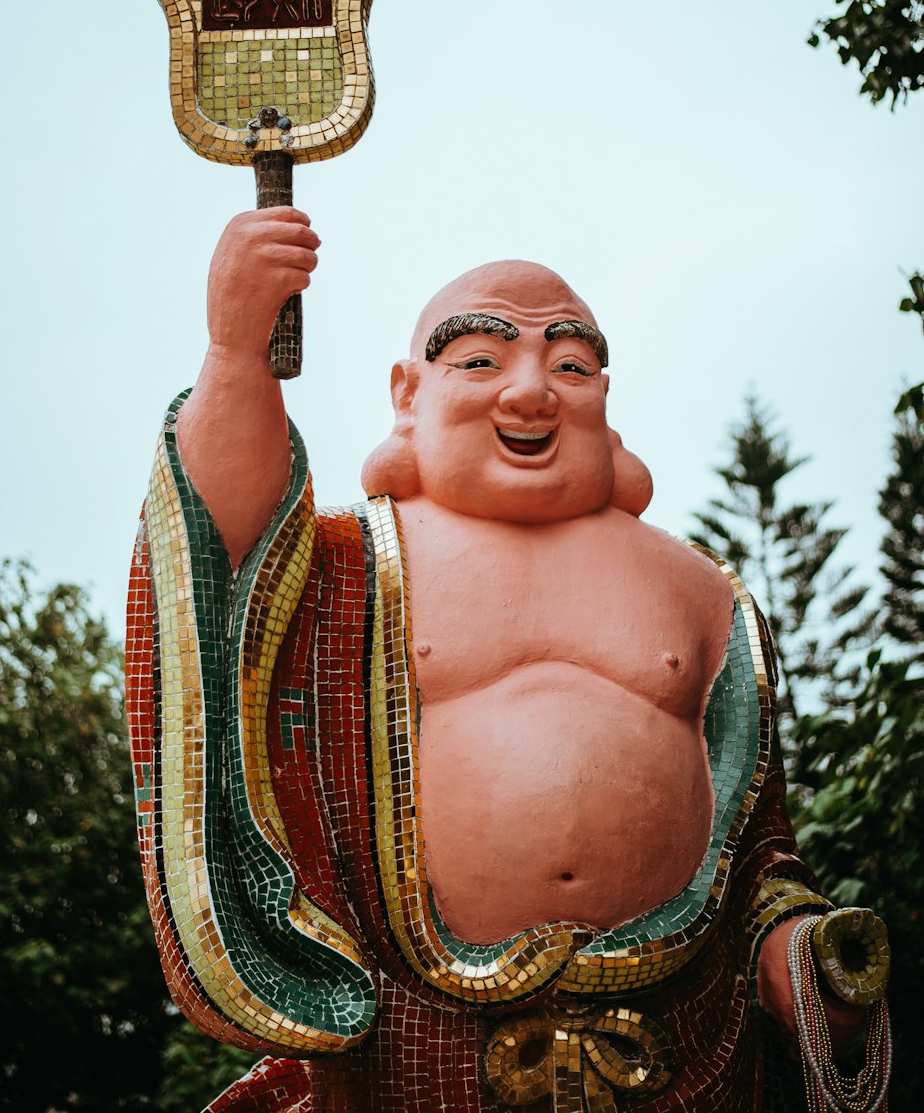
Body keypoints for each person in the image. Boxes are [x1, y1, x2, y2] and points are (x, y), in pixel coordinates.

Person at [126, 209, 876, 1113]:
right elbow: (222, 559)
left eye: (571, 365)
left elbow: (757, 854)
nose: (530, 394)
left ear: (607, 393)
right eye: (480, 361)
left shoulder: (703, 591)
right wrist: (236, 349)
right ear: (408, 394)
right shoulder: (350, 566)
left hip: (678, 1034)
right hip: (415, 1033)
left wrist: (802, 959)